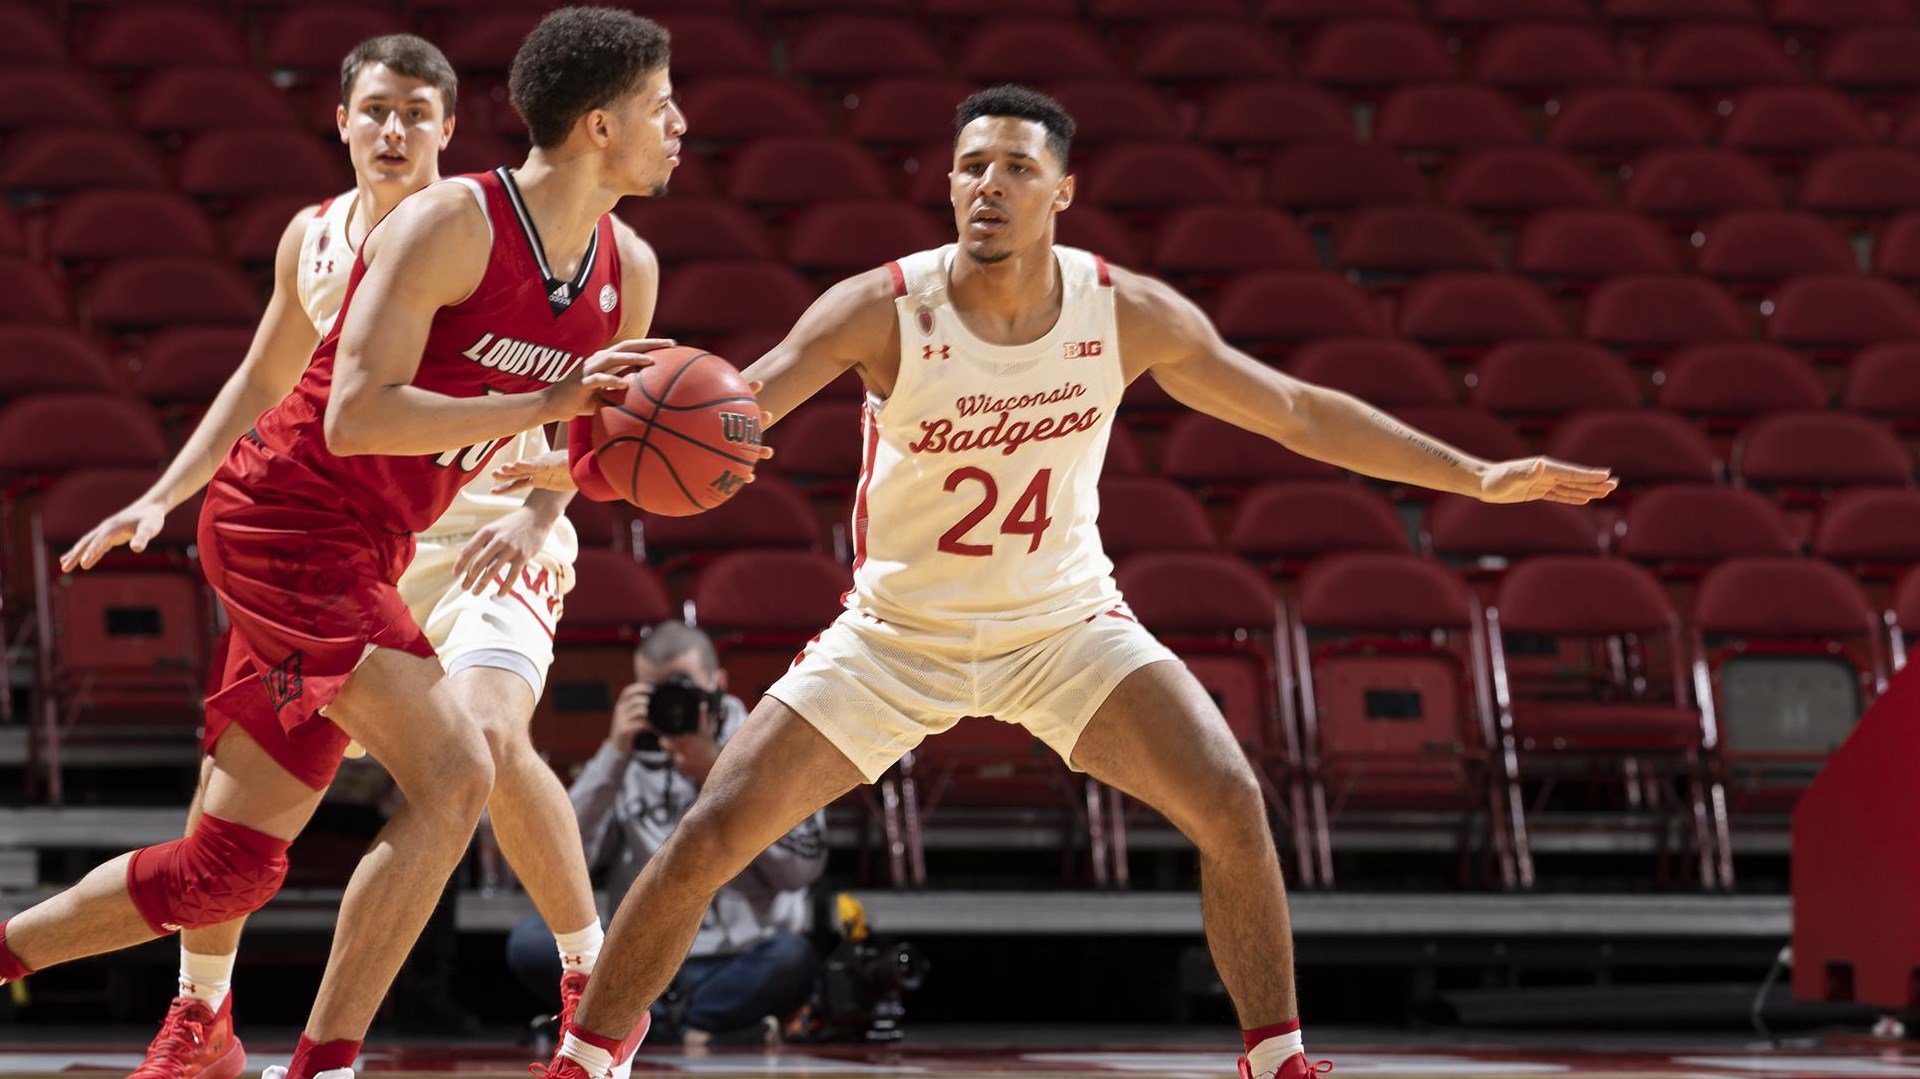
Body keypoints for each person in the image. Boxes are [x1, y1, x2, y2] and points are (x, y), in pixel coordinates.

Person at [544, 84, 1619, 1079]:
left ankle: (1277, 1058)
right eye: (970, 167)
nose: (988, 188)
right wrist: (573, 460)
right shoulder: (880, 306)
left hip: (1065, 625)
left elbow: (1293, 410)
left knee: (1232, 804)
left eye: (1015, 168)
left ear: (1062, 189)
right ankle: (586, 1058)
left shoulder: (1124, 312)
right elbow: (739, 411)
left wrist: (1473, 473)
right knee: (710, 833)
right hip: (893, 632)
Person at [0, 12, 718, 1079]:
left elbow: (580, 444)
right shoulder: (451, 222)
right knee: (455, 770)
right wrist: (549, 395)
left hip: (373, 543)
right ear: (603, 124)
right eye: (664, 103)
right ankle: (326, 1062)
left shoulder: (631, 268)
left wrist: (630, 468)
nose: (682, 122)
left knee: (224, 871)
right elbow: (353, 417)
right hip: (285, 521)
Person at [506, 622, 823, 1047]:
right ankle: (698, 1027)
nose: (672, 703)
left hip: (736, 959)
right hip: (634, 959)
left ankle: (633, 1022)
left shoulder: (762, 741)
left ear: (718, 684)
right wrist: (613, 754)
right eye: (654, 692)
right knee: (530, 941)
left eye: (683, 687)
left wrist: (715, 773)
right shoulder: (628, 749)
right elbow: (560, 859)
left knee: (793, 957)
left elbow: (801, 870)